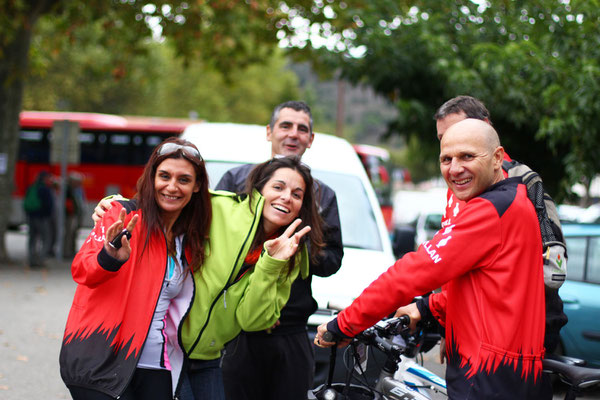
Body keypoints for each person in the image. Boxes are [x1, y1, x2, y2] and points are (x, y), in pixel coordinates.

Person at [315, 119, 551, 399]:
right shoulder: (515, 200)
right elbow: (488, 290)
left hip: (487, 373)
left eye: (467, 156)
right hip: (509, 367)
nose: (454, 168)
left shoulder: (490, 210)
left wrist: (344, 324)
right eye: (446, 158)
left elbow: (413, 272)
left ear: (498, 157)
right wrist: (426, 308)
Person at [88, 154, 324, 400]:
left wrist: (271, 265)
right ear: (259, 188)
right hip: (163, 349)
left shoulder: (291, 256)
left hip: (208, 358)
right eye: (278, 187)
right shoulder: (218, 207)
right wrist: (113, 204)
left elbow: (252, 321)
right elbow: (162, 202)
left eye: (297, 195)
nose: (286, 197)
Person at [216, 100, 343, 400]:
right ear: (269, 132)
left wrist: (295, 250)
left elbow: (332, 260)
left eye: (302, 129)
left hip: (291, 333)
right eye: (285, 126)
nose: (293, 134)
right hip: (236, 334)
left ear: (311, 139)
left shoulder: (323, 194)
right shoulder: (237, 181)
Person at [434, 95, 567, 354]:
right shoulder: (461, 184)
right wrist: (446, 325)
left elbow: (554, 267)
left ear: (487, 128)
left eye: (460, 129)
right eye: (442, 138)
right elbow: (453, 262)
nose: (452, 141)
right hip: (471, 329)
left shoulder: (522, 181)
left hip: (523, 335)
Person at [23, 170, 55, 268]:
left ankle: (31, 260)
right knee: (46, 239)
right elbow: (48, 205)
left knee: (32, 239)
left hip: (31, 216)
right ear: (45, 178)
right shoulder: (45, 189)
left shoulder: (32, 187)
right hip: (42, 218)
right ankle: (41, 260)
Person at [63, 172, 85, 258]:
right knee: (69, 234)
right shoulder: (69, 190)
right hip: (70, 215)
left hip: (75, 214)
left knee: (74, 233)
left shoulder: (78, 190)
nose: (79, 184)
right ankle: (67, 252)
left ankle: (71, 250)